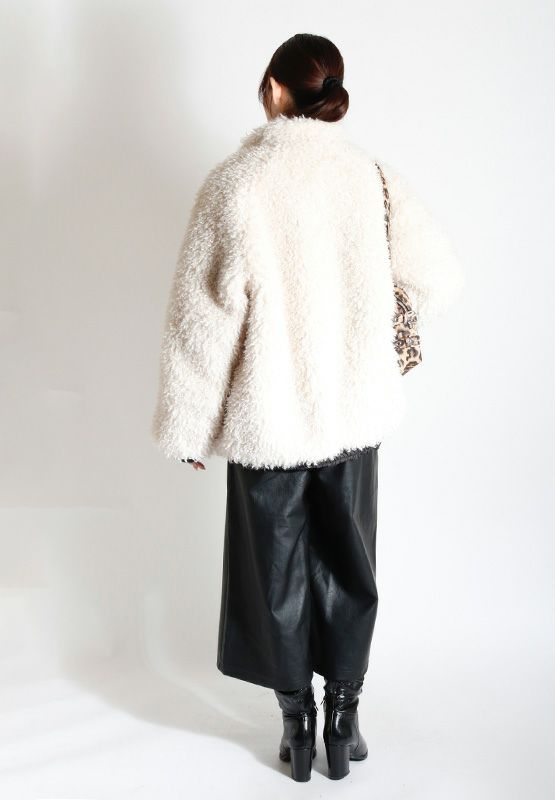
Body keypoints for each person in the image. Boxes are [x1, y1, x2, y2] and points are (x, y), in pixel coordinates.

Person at [151, 33, 464, 782]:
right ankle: (344, 721)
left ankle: (295, 729)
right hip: (354, 413)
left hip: (270, 419)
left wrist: (187, 425)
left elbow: (201, 322)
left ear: (272, 88)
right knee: (350, 568)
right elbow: (439, 276)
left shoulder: (236, 185)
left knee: (276, 574)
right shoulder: (371, 178)